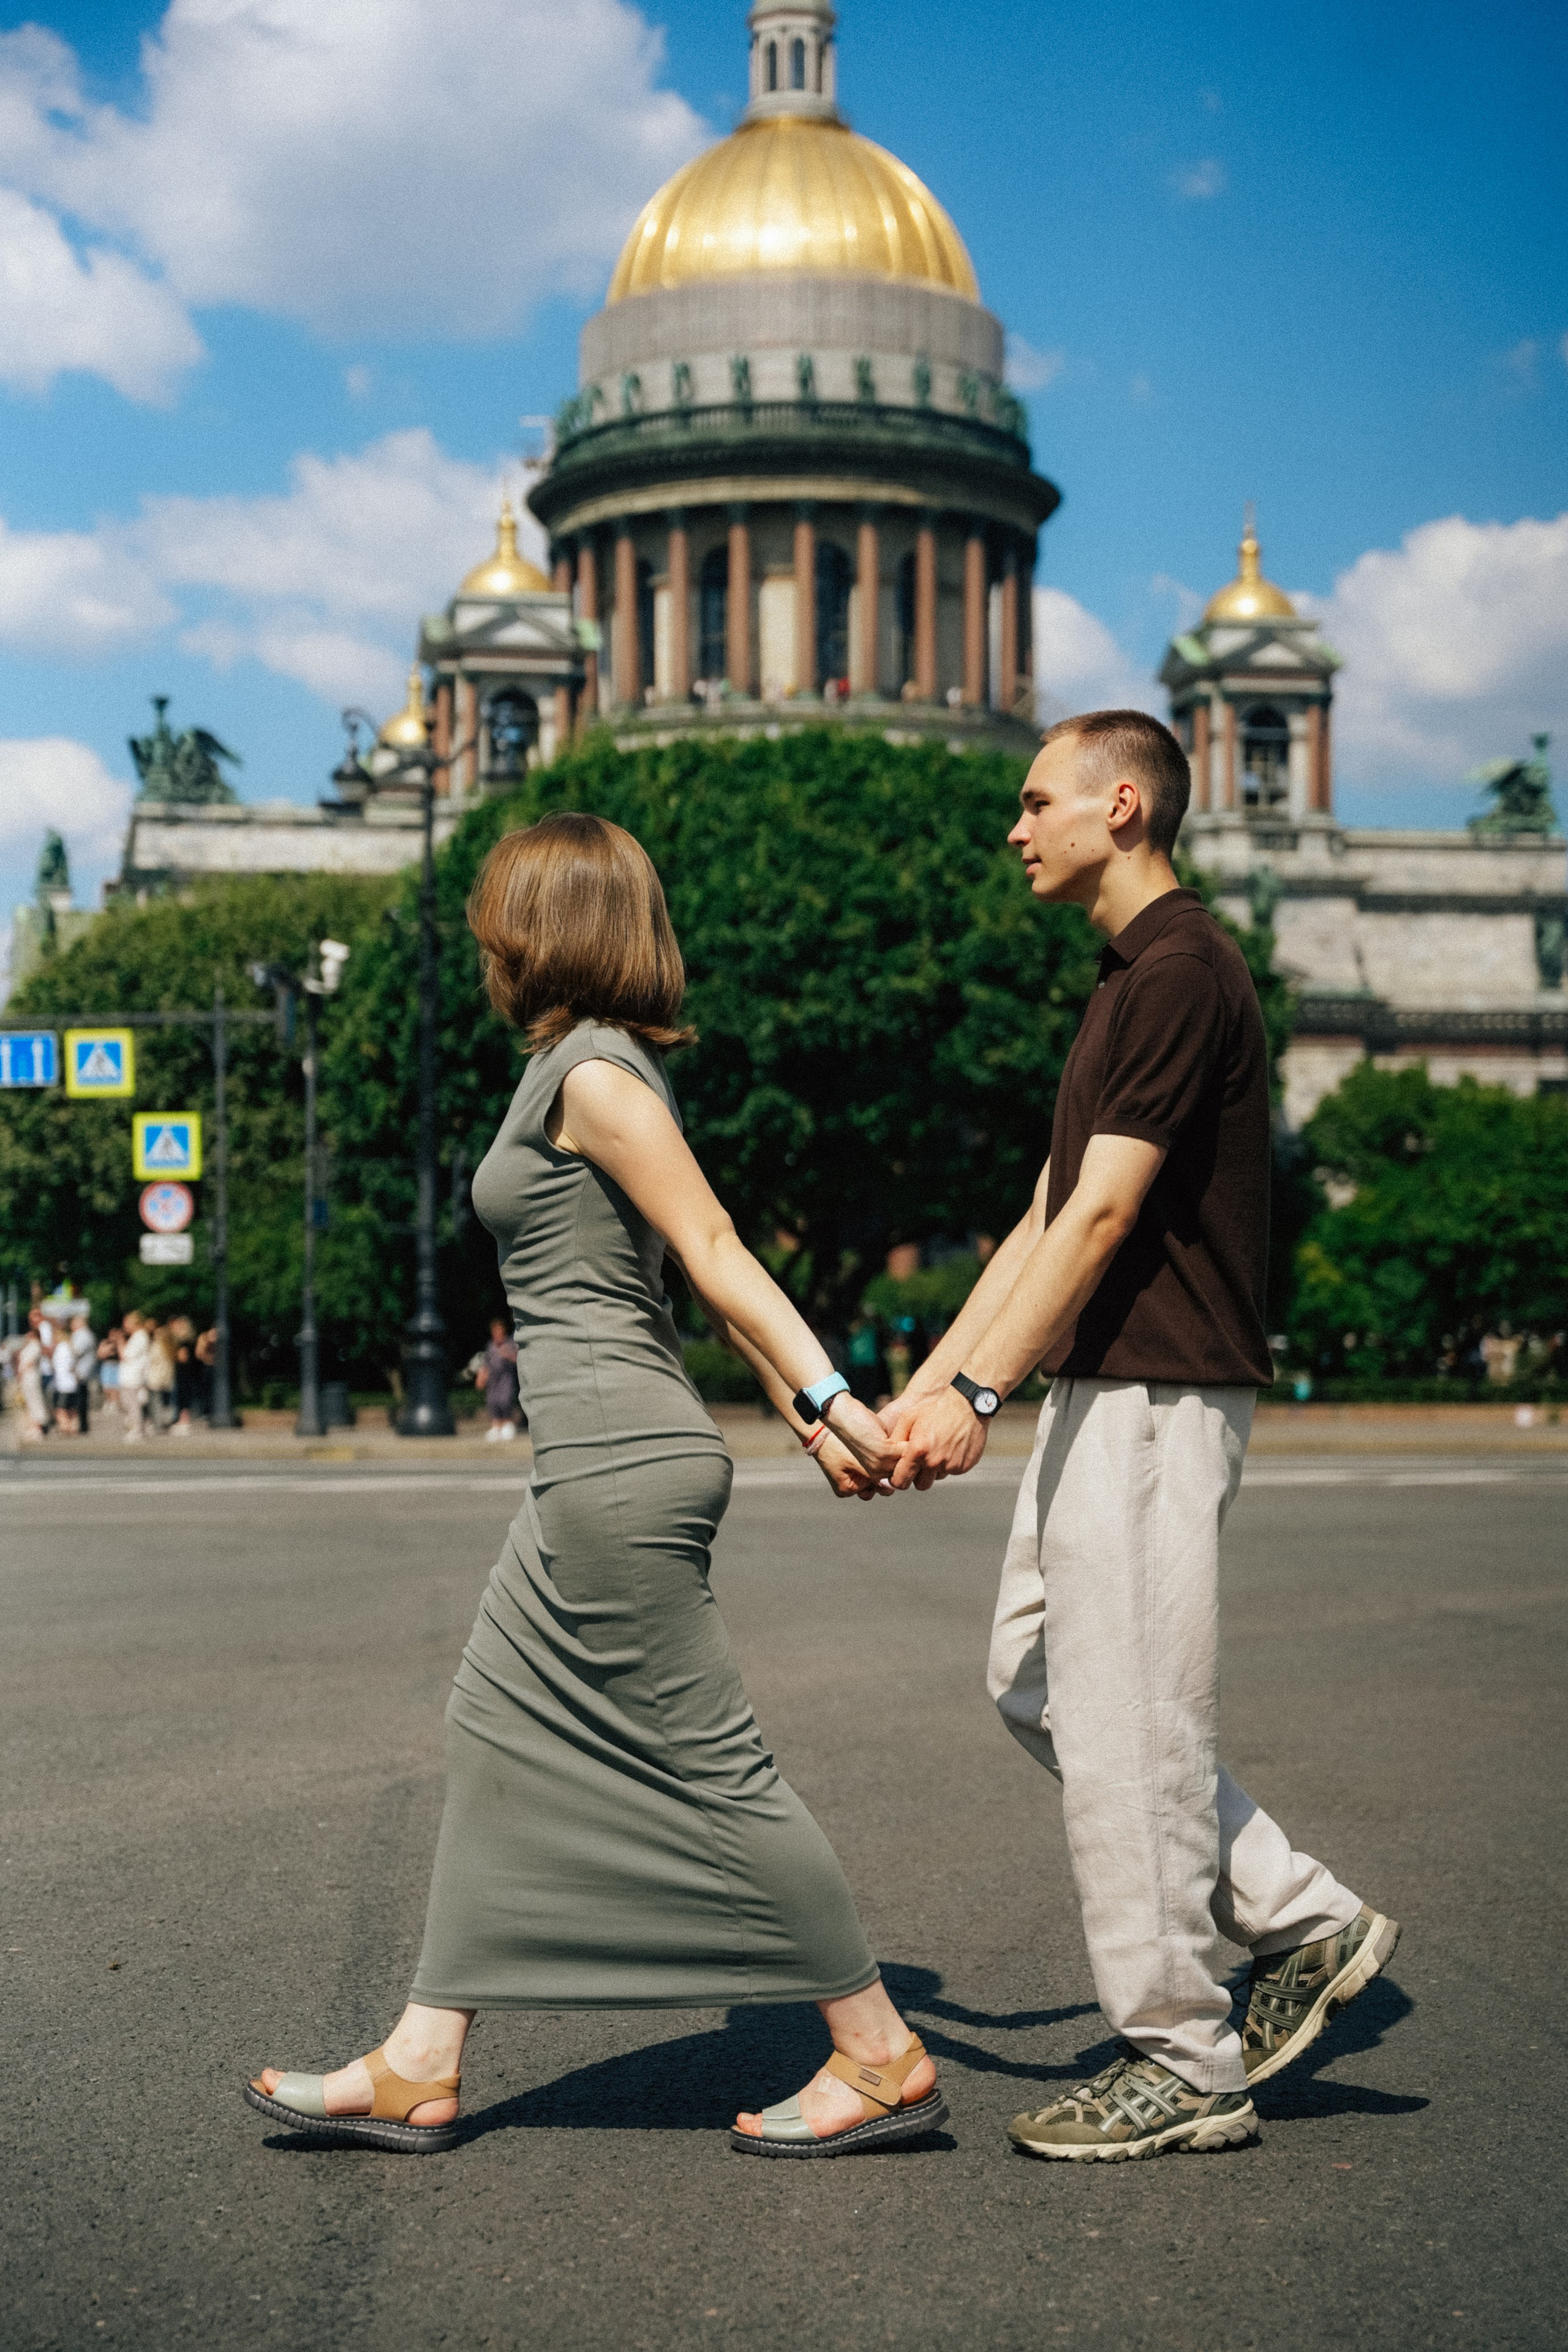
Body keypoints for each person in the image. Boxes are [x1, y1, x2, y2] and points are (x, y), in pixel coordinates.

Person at [246, 812, 945, 2159]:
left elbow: (714, 1247)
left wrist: (829, 1401)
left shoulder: (595, 1079)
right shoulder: (567, 1070)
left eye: (499, 916)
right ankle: (419, 2057)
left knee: (715, 1768)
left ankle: (875, 2052)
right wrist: (805, 1419)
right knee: (495, 1726)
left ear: (547, 926)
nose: (484, 941)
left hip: (616, 1465)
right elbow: (685, 1271)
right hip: (592, 1459)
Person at [886, 710, 1401, 2163]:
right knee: (1038, 1675)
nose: (1013, 825)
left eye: (1035, 801)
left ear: (1121, 806)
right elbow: (1048, 1216)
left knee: (1127, 1718)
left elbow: (1106, 1216)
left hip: (1161, 1391)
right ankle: (1303, 1916)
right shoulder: (1125, 980)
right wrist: (927, 1385)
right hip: (1107, 1389)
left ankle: (1180, 2054)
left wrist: (979, 1398)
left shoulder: (1178, 968)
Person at [477, 1316, 519, 1441]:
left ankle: (508, 1424)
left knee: (505, 1401)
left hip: (506, 1380)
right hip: (493, 1381)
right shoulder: (491, 1346)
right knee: (493, 1402)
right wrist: (482, 1377)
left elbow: (518, 1359)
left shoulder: (510, 1344)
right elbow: (486, 1365)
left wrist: (509, 1355)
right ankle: (496, 1426)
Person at [118, 1313, 150, 1444]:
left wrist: (120, 1342)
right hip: (130, 1377)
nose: (124, 1326)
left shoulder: (140, 1337)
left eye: (127, 1323)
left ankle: (136, 1431)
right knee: (129, 1404)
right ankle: (135, 1429)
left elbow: (126, 1355)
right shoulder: (137, 1337)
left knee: (132, 1405)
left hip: (133, 1377)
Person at [143, 1320, 176, 1433]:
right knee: (165, 1403)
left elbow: (149, 1360)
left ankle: (158, 1426)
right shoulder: (170, 1348)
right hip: (166, 1379)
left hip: (155, 1378)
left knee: (155, 1403)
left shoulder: (157, 1347)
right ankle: (166, 1423)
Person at [70, 1311, 97, 1437]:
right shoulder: (85, 1335)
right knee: (81, 1400)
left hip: (80, 1372)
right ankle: (82, 1425)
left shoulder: (83, 1335)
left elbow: (75, 1351)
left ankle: (82, 1426)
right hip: (83, 1372)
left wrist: (65, 1344)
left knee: (80, 1401)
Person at [50, 1326, 80, 1435]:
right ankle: (74, 1427)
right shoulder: (70, 1347)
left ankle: (65, 1427)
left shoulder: (61, 1348)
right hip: (71, 1383)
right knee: (72, 1409)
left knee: (61, 1408)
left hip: (63, 1383)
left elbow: (55, 1365)